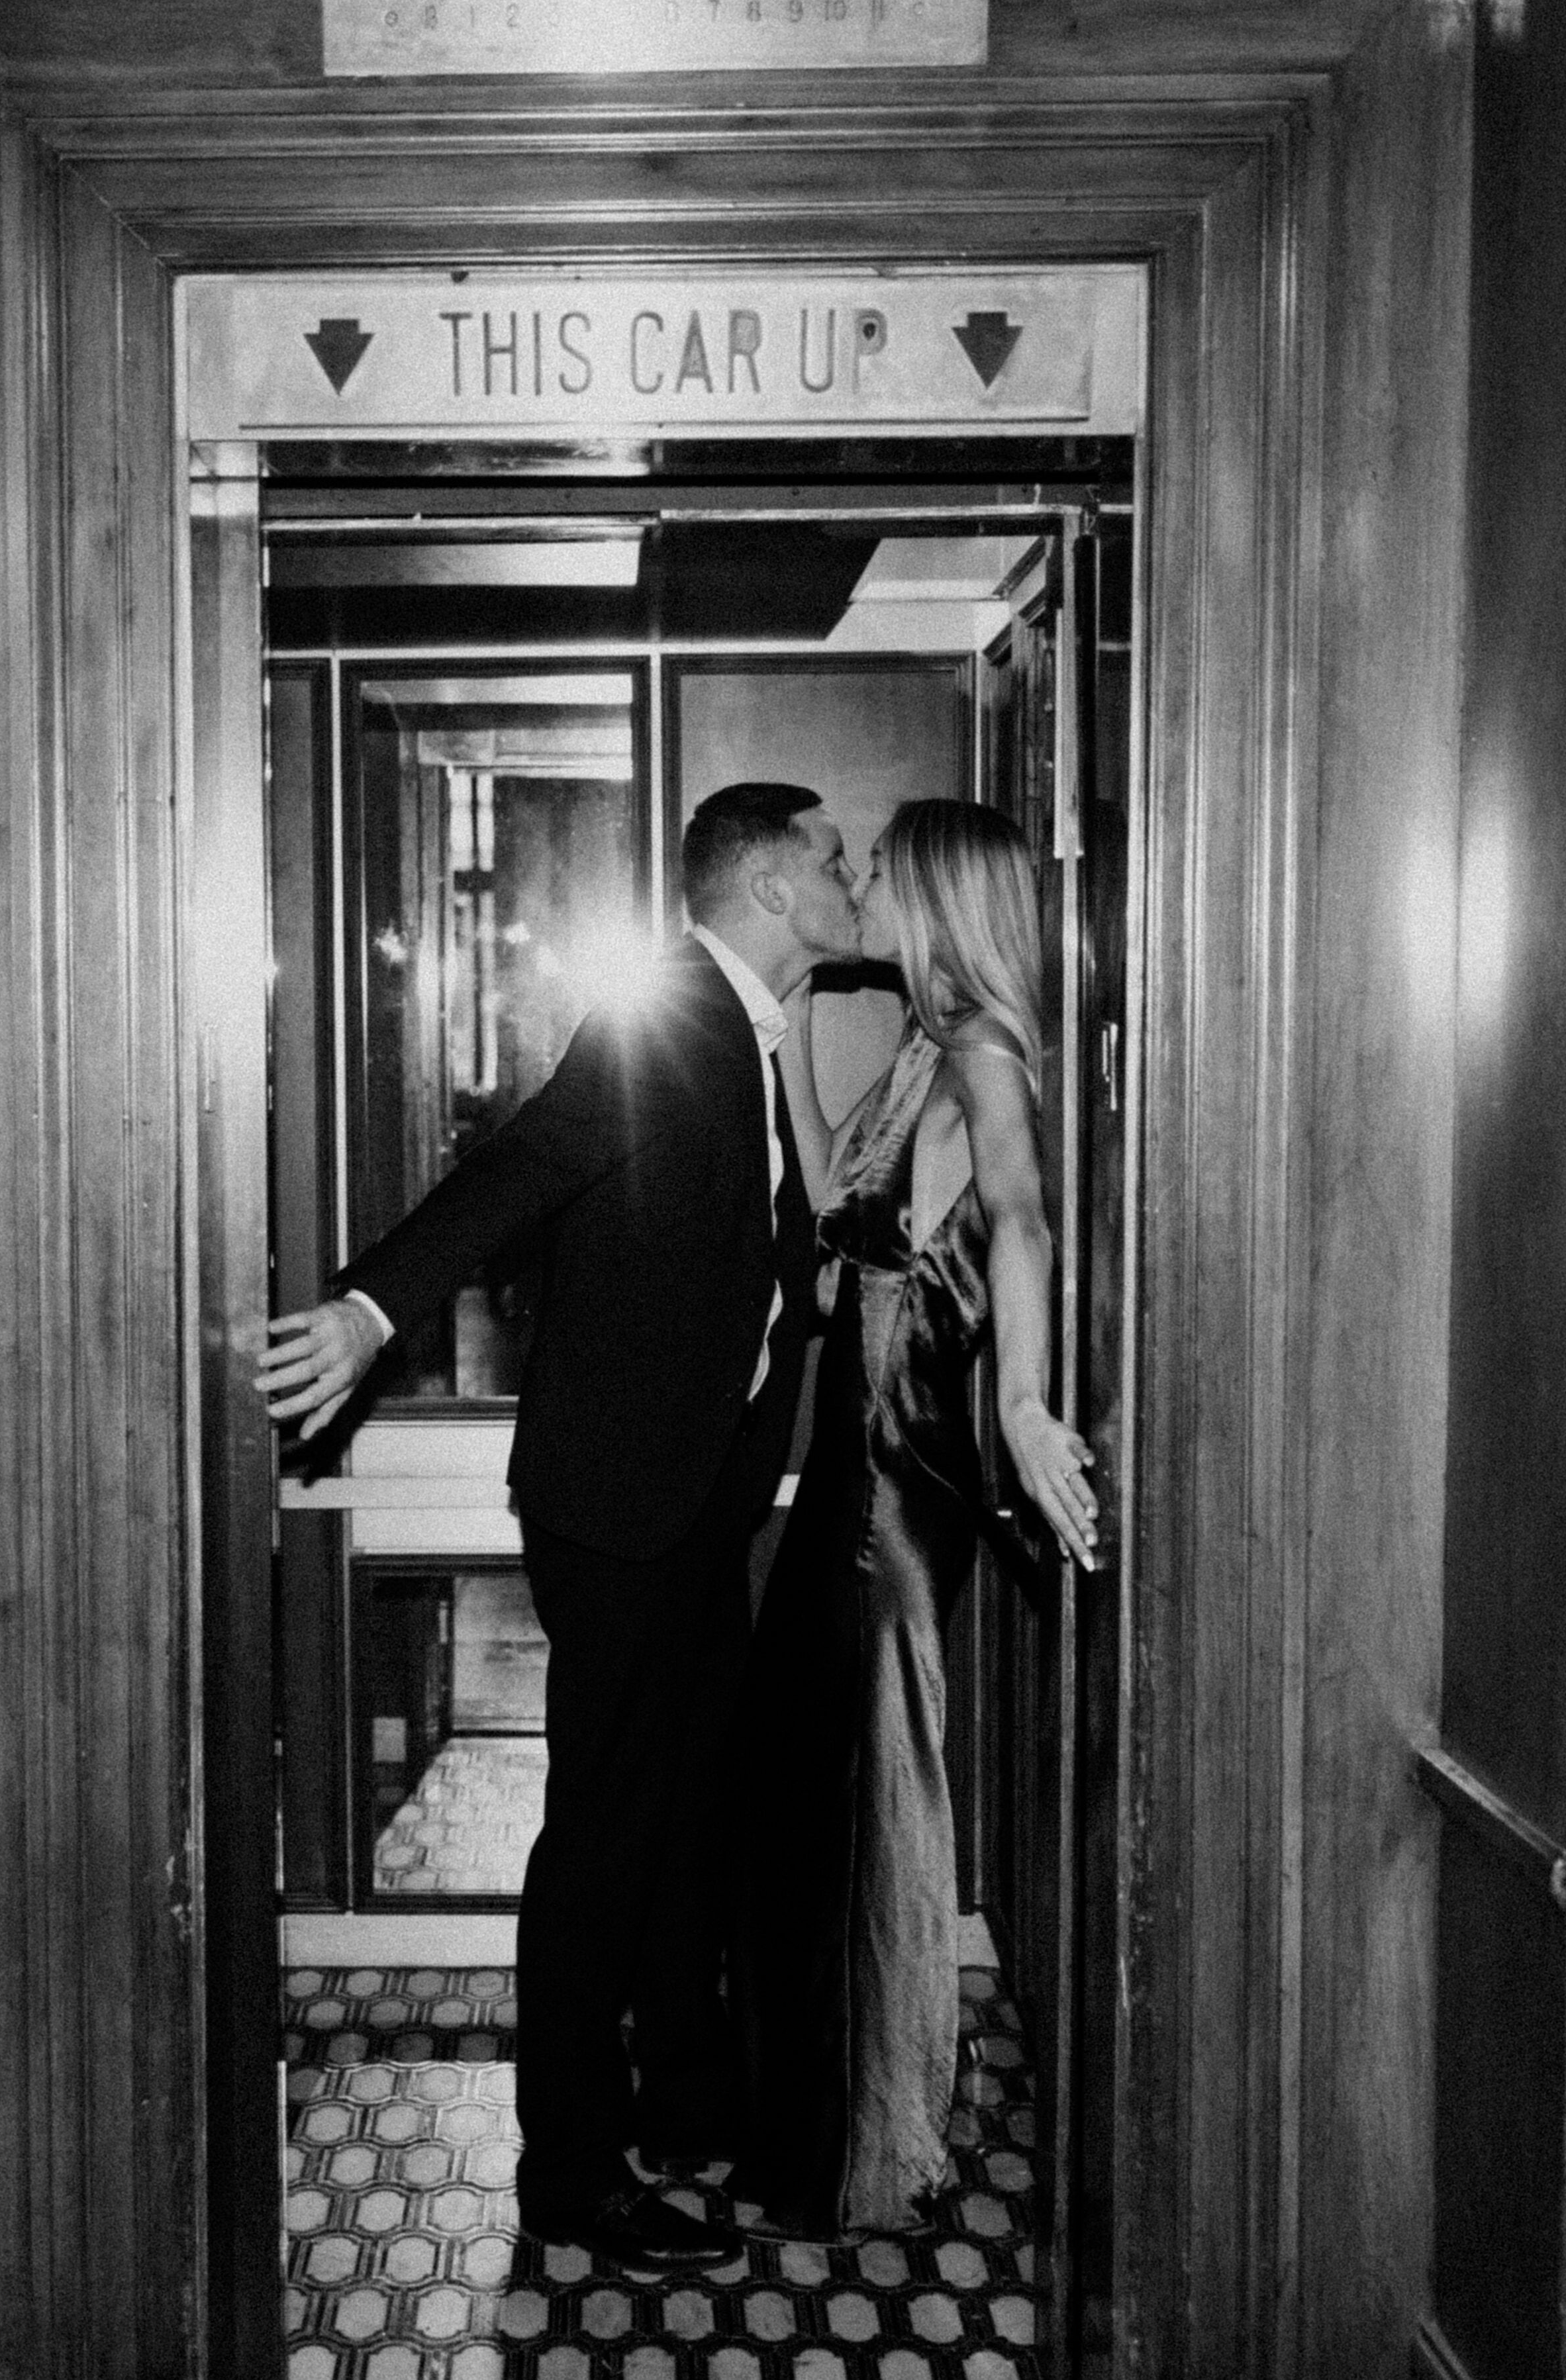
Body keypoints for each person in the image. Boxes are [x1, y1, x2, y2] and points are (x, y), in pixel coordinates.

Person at [254, 781, 865, 2273]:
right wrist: (372, 1306)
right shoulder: (667, 1017)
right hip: (620, 1511)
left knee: (680, 1815)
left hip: (692, 1503)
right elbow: (520, 1167)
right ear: (769, 885)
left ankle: (679, 2104)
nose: (853, 877)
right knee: (604, 1838)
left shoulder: (749, 1032)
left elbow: (762, 1262)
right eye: (834, 858)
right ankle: (570, 2173)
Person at [731, 796, 1101, 2240]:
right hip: (846, 1476)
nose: (864, 885)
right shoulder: (922, 1048)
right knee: (794, 1794)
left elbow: (1022, 1220)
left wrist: (1025, 1403)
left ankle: (867, 2145)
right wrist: (788, 1029)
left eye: (882, 869)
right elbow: (836, 1187)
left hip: (894, 1492)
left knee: (875, 1802)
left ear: (939, 897)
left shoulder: (987, 1054)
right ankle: (805, 2121)